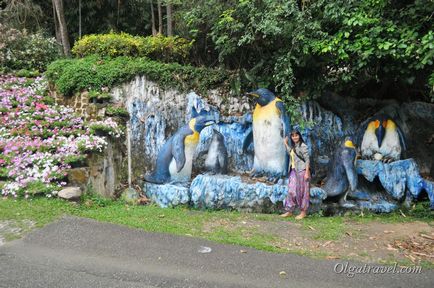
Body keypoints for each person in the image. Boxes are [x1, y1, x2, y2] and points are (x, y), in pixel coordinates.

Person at [280, 130, 311, 220]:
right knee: (291, 190)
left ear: (299, 136)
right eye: (293, 136)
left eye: (296, 135)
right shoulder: (294, 146)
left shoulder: (303, 146)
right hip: (294, 170)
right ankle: (289, 211)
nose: (294, 137)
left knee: (303, 191)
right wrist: (285, 144)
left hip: (302, 170)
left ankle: (303, 212)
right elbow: (291, 153)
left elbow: (307, 160)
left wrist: (306, 173)